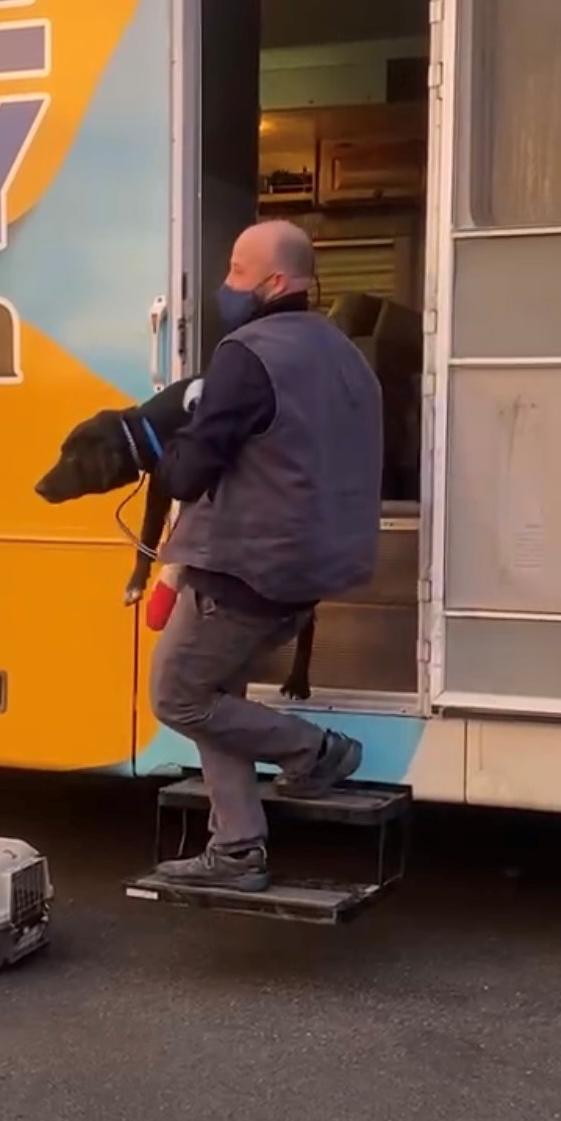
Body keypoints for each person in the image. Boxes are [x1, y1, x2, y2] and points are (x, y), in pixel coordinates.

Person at [134, 218, 383, 892]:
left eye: (237, 272)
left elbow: (190, 471)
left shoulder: (248, 353)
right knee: (217, 697)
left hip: (245, 568)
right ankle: (238, 848)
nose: (226, 285)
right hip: (310, 568)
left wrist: (158, 445)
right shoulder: (345, 353)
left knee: (178, 695)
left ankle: (316, 751)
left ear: (275, 281)